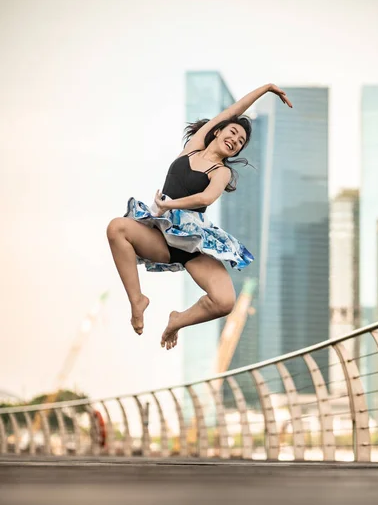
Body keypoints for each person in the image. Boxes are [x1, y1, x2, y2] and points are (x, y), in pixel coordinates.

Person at [106, 83, 293, 350]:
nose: (235, 141)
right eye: (233, 133)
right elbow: (232, 110)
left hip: (192, 243)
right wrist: (266, 89)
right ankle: (137, 300)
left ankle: (177, 320)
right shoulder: (192, 148)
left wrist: (169, 203)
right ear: (217, 131)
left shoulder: (221, 172)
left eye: (240, 143)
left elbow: (205, 199)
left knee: (225, 301)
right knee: (116, 228)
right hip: (161, 237)